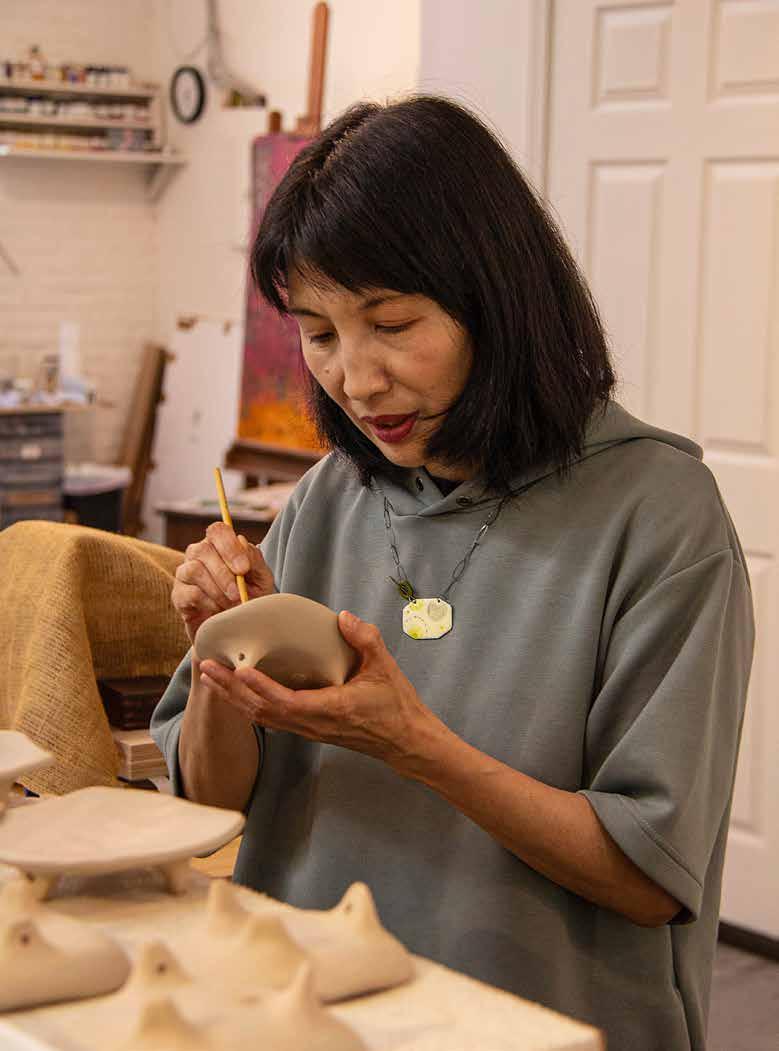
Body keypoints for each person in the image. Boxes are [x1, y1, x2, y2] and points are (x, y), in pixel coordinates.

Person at [151, 95, 754, 1051]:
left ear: (497, 298)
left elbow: (647, 876)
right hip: (304, 1014)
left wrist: (414, 745)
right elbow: (214, 802)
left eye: (391, 323)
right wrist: (224, 657)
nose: (356, 380)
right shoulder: (328, 496)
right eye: (318, 333)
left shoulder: (658, 515)